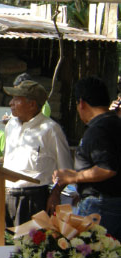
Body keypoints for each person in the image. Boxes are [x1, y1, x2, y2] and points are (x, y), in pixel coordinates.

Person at [52, 76, 121, 239]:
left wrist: (74, 176)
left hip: (102, 206)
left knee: (86, 255)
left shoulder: (99, 129)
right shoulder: (115, 123)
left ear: (81, 103)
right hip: (106, 201)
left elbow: (107, 169)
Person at [2, 80, 72, 226]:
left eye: (16, 99)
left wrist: (55, 194)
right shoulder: (11, 125)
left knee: (28, 245)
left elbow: (66, 170)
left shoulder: (50, 129)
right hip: (7, 194)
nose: (11, 103)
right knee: (5, 244)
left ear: (32, 104)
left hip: (34, 198)